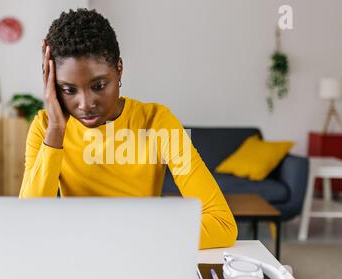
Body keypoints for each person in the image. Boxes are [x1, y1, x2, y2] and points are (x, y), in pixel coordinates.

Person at [19, 8, 237, 249]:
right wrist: (57, 130)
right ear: (53, 85)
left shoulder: (158, 122)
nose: (85, 104)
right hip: (82, 257)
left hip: (140, 255)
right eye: (69, 90)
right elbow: (28, 225)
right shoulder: (45, 128)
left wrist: (124, 239)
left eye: (99, 85)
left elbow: (222, 224)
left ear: (119, 69)